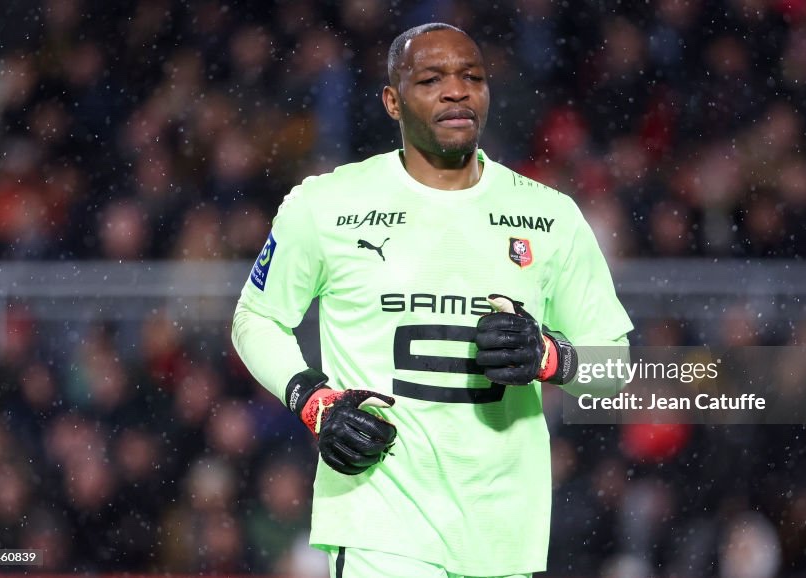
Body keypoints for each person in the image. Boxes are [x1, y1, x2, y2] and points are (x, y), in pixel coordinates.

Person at [231, 22, 632, 578]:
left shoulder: (551, 215)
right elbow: (255, 318)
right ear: (392, 102)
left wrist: (550, 357)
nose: (456, 91)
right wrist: (314, 401)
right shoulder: (326, 205)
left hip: (502, 533)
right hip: (379, 526)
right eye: (431, 79)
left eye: (473, 77)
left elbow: (616, 367)